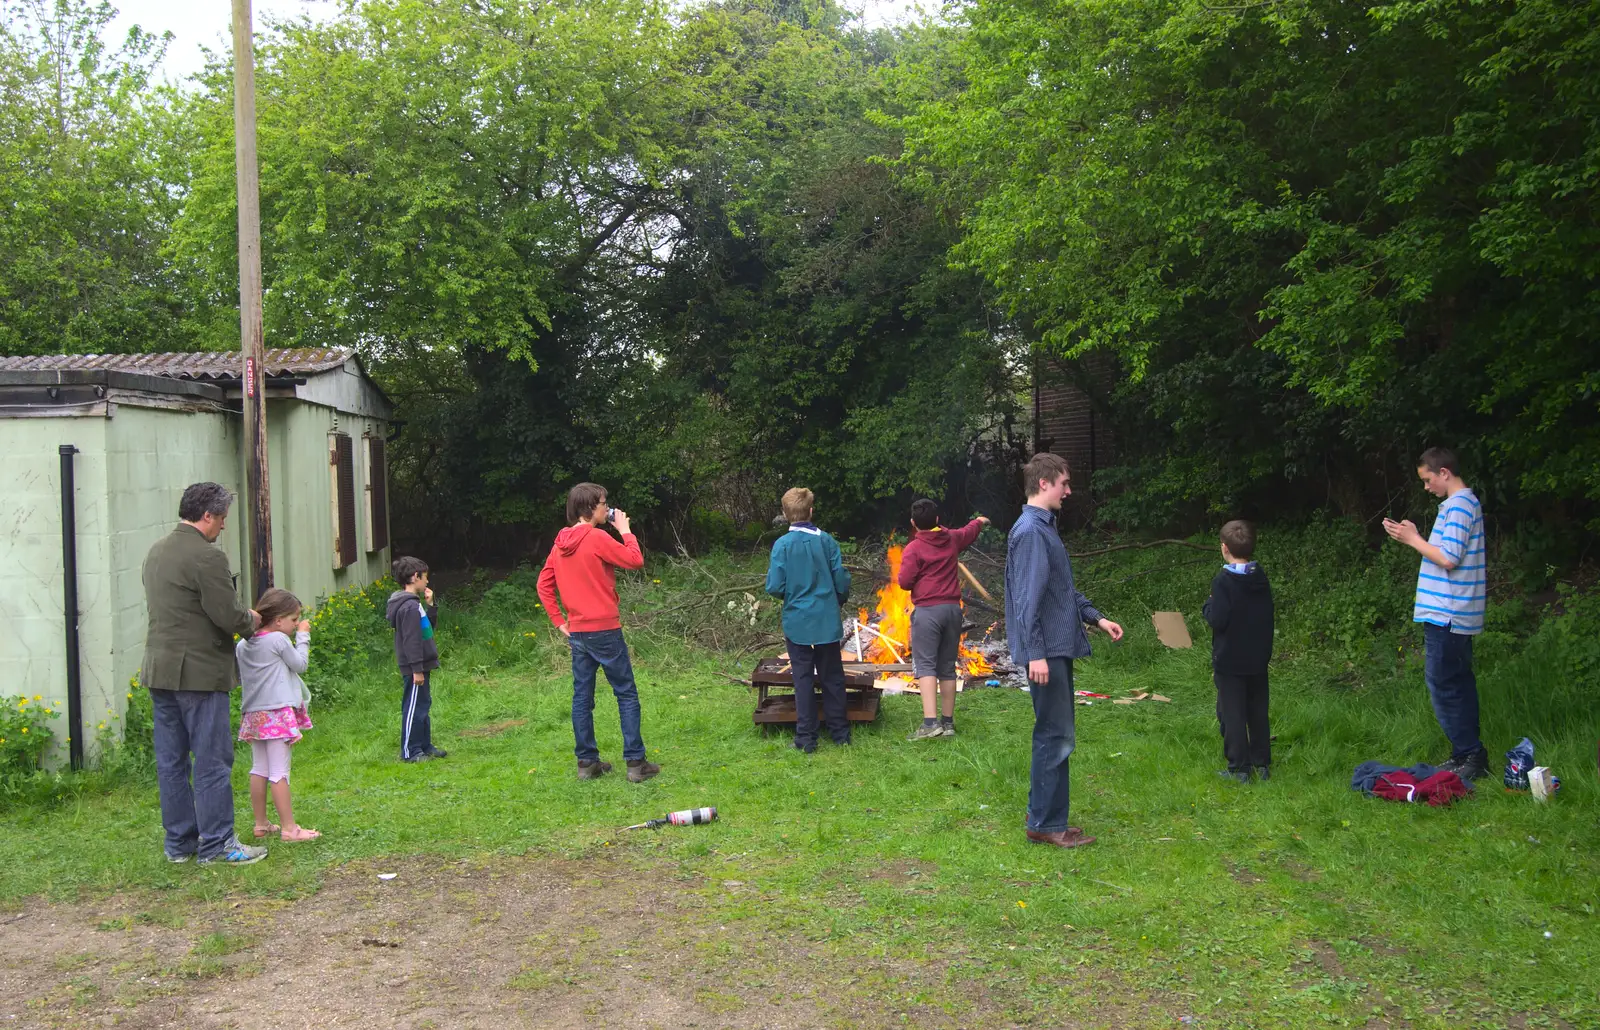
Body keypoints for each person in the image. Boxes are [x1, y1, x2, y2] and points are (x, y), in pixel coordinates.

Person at [140, 482, 265, 865]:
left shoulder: (156, 551)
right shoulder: (207, 557)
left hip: (160, 672)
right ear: (206, 515)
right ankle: (218, 844)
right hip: (199, 673)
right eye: (222, 518)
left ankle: (179, 844)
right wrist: (252, 621)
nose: (224, 526)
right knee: (211, 760)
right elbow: (225, 614)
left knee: (171, 762)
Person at [1004, 453, 1123, 849]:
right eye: (1064, 484)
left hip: (1055, 646)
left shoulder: (1044, 528)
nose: (1068, 492)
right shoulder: (1032, 533)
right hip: (1047, 651)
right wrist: (1035, 652)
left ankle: (1044, 814)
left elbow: (1060, 591)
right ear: (1044, 484)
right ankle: (1045, 823)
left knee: (1054, 734)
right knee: (1055, 736)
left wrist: (1095, 618)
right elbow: (1028, 600)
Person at [537, 483, 660, 782]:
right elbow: (635, 560)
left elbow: (543, 584)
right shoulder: (597, 537)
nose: (607, 508)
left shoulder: (559, 544)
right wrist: (625, 530)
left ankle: (587, 764)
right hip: (605, 629)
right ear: (590, 507)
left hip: (578, 633)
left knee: (582, 698)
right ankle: (635, 764)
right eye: (604, 504)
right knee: (626, 694)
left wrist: (559, 621)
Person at [1383, 447, 1489, 779]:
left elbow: (1448, 558)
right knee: (1457, 682)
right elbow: (1445, 552)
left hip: (1448, 613)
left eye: (1428, 480)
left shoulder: (1459, 506)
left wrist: (1413, 538)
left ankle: (1469, 755)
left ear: (1444, 472)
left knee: (1444, 684)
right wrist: (1414, 536)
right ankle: (1468, 755)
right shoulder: (1461, 505)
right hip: (1451, 611)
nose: (1426, 487)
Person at [765, 488, 853, 753]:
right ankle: (840, 734)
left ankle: (806, 738)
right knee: (832, 677)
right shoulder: (826, 541)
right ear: (811, 511)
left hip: (797, 620)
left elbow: (774, 585)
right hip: (826, 618)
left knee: (802, 678)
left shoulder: (782, 545)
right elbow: (840, 577)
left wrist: (791, 596)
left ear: (785, 514)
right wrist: (838, 598)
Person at [897, 498, 989, 740]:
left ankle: (930, 724)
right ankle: (947, 724)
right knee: (947, 667)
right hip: (952, 610)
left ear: (913, 524)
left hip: (928, 612)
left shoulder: (913, 549)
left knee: (926, 666)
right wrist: (978, 521)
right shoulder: (951, 539)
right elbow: (968, 532)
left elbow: (905, 582)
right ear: (938, 520)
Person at [236, 587, 320, 841]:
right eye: (294, 620)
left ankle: (261, 823)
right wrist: (303, 637)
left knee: (259, 768)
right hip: (277, 714)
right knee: (279, 772)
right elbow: (300, 665)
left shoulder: (243, 644)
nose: (296, 625)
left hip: (253, 715)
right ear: (278, 619)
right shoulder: (278, 640)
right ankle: (290, 829)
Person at [1201, 520, 1275, 784]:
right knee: (1257, 710)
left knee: (1232, 713)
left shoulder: (1223, 582)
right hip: (1257, 658)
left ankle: (1239, 769)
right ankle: (1262, 763)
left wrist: (1207, 606)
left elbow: (1218, 619)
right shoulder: (1259, 576)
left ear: (1224, 548)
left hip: (1230, 660)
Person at [387, 556, 445, 763]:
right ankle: (410, 751)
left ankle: (424, 745)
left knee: (423, 705)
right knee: (413, 707)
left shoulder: (414, 604)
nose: (427, 582)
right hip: (415, 668)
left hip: (421, 664)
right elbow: (411, 641)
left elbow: (426, 629)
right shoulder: (408, 607)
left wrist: (431, 606)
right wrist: (416, 669)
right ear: (414, 577)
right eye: (425, 578)